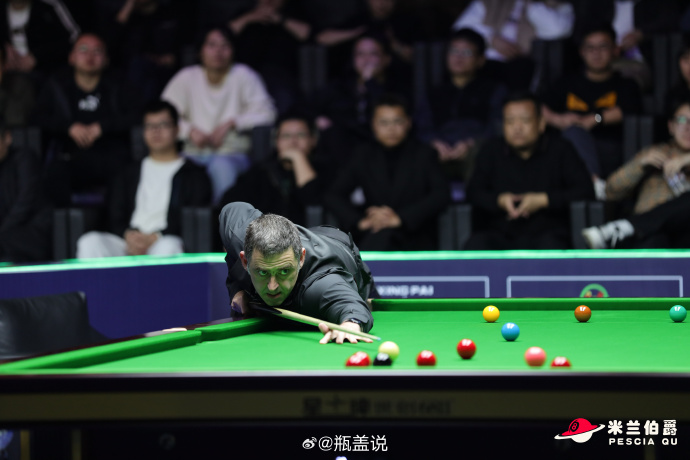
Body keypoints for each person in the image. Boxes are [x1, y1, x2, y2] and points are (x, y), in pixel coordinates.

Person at [219, 201, 376, 344]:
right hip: (303, 237)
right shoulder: (240, 236)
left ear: (301, 258)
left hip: (343, 251)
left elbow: (351, 306)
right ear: (245, 261)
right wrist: (237, 288)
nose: (272, 287)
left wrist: (350, 325)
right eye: (262, 272)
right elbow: (233, 208)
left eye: (284, 271)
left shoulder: (322, 282)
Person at [76, 100, 211, 258]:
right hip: (128, 242)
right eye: (150, 126)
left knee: (168, 247)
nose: (156, 131)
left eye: (163, 125)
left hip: (164, 240)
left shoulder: (194, 174)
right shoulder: (128, 172)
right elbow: (113, 214)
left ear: (177, 129)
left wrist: (156, 237)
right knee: (89, 242)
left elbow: (191, 220)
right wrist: (128, 235)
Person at [465, 91, 594, 250]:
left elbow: (585, 189)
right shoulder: (490, 150)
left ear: (541, 123)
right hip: (499, 234)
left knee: (553, 246)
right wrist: (500, 201)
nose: (517, 128)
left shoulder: (561, 149)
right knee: (475, 245)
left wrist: (544, 200)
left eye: (525, 120)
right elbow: (473, 192)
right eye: (510, 121)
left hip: (548, 234)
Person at [162, 27, 276, 204]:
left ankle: (222, 219)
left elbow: (268, 113)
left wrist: (233, 122)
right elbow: (164, 115)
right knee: (177, 169)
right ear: (200, 51)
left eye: (225, 46)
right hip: (192, 152)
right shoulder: (186, 77)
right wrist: (189, 130)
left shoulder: (244, 75)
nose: (218, 52)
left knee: (221, 166)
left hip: (232, 153)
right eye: (212, 45)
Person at [324, 94, 450, 251]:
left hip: (415, 233)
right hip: (374, 230)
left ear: (408, 123)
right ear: (373, 125)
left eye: (398, 121)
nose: (391, 128)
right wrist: (360, 221)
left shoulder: (424, 154)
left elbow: (441, 194)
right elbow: (333, 195)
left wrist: (400, 218)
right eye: (384, 122)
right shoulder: (363, 154)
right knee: (381, 237)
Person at [35, 33, 140, 207]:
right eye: (83, 50)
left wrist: (103, 127)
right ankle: (64, 222)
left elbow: (137, 115)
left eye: (97, 51)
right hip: (72, 156)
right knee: (54, 173)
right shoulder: (58, 84)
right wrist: (69, 127)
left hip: (112, 155)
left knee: (125, 175)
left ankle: (116, 222)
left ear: (106, 60)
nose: (90, 56)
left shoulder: (118, 83)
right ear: (71, 57)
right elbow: (37, 117)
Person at [542, 24, 642, 198]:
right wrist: (559, 120)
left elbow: (628, 109)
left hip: (607, 149)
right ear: (582, 52)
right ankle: (594, 185)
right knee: (572, 134)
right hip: (566, 150)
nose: (596, 53)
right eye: (590, 48)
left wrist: (595, 119)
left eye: (603, 47)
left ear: (615, 50)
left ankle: (592, 184)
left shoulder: (625, 84)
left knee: (575, 132)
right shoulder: (566, 83)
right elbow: (538, 106)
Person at [582, 99, 690, 249]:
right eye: (682, 120)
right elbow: (610, 191)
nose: (688, 128)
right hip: (648, 235)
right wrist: (639, 165)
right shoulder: (655, 153)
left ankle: (626, 227)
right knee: (655, 241)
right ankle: (630, 228)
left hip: (685, 233)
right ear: (671, 126)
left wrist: (686, 159)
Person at [415, 27, 507, 180]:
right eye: (453, 51)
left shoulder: (494, 90)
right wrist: (435, 143)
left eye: (467, 53)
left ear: (480, 60)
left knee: (485, 152)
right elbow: (422, 126)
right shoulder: (434, 93)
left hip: (477, 149)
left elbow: (498, 126)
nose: (458, 57)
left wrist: (470, 143)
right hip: (441, 150)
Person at [312, 34, 410, 167]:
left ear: (386, 59)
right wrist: (318, 118)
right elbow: (304, 107)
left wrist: (370, 82)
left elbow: (388, 109)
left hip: (381, 154)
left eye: (373, 54)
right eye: (360, 54)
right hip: (341, 154)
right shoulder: (339, 87)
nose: (366, 59)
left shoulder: (396, 88)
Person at [217, 113, 331, 227]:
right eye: (286, 136)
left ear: (313, 140)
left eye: (301, 135)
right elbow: (230, 204)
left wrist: (298, 158)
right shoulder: (261, 171)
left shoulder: (325, 169)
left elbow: (314, 202)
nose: (293, 141)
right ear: (276, 141)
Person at [452, 0, 574, 90]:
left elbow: (558, 30)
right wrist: (491, 38)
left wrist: (530, 4)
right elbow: (460, 27)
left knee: (520, 70)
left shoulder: (555, 5)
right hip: (487, 60)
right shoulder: (489, 2)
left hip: (522, 64)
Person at [227, 0, 312, 114]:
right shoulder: (245, 12)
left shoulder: (292, 13)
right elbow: (223, 34)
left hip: (280, 74)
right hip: (245, 72)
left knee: (284, 98)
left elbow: (308, 34)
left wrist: (280, 19)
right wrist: (250, 17)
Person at [101, 0, 182, 104]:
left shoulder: (170, 14)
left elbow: (181, 51)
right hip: (127, 75)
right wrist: (128, 7)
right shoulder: (122, 16)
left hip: (163, 72)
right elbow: (107, 47)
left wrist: (169, 59)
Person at [0, 117, 51, 263]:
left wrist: (2, 230)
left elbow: (26, 202)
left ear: (7, 137)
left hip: (31, 232)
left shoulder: (25, 158)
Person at [0, 0, 80, 74]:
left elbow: (74, 38)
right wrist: (4, 49)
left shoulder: (49, 5)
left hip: (47, 72)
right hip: (7, 71)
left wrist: (36, 57)